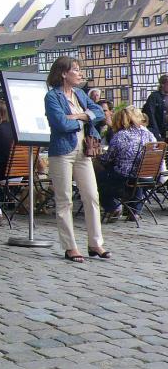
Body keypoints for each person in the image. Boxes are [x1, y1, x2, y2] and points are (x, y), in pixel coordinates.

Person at [44, 56, 108, 263]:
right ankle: (70, 246)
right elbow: (61, 124)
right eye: (76, 70)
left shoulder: (80, 94)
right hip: (62, 151)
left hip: (84, 150)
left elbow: (99, 113)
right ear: (64, 73)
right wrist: (83, 118)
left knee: (91, 196)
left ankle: (95, 243)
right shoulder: (52, 97)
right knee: (65, 200)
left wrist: (80, 116)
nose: (80, 74)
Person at [98, 107, 157, 223]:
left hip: (124, 177)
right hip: (146, 176)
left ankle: (112, 207)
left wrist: (98, 157)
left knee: (99, 179)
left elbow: (107, 159)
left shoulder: (120, 135)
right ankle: (135, 212)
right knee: (137, 175)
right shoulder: (148, 133)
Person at [142, 75, 168, 140]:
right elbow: (150, 114)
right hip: (157, 131)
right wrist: (156, 131)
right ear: (162, 84)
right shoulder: (154, 97)